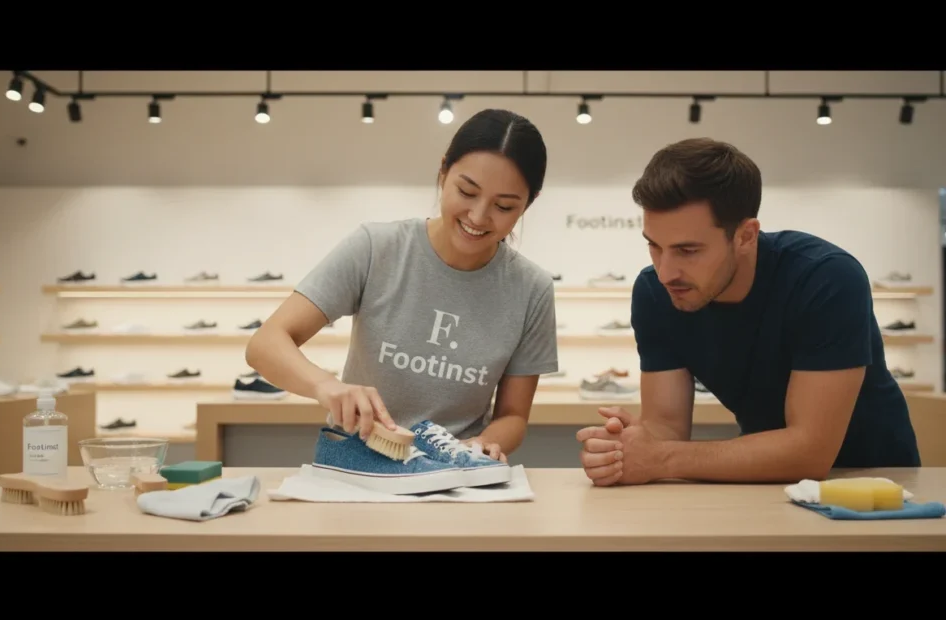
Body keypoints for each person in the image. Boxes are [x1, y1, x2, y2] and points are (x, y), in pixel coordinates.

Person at [578, 137, 921, 487]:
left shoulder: (827, 278)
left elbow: (810, 452)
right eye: (654, 246)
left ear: (745, 236)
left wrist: (660, 457)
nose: (666, 272)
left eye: (688, 250)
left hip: (878, 484)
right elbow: (665, 428)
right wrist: (623, 450)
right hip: (764, 480)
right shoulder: (655, 293)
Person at [246, 108, 558, 462]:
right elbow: (265, 344)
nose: (478, 216)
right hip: (357, 460)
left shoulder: (532, 290)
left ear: (528, 204)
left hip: (453, 470)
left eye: (503, 206)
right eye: (466, 191)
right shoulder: (376, 248)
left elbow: (513, 416)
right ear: (443, 171)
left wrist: (483, 444)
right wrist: (327, 386)